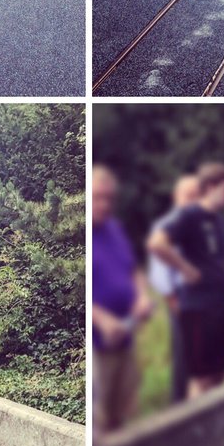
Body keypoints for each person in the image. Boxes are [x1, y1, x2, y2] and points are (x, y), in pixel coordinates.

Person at [148, 163, 224, 399]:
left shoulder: (220, 221)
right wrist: (185, 268)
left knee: (220, 373)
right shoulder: (188, 215)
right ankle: (196, 432)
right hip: (199, 307)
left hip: (222, 306)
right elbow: (157, 244)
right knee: (201, 378)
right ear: (211, 187)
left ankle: (214, 427)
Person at [93, 166, 154, 432]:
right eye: (98, 197)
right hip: (99, 346)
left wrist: (142, 296)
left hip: (126, 338)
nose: (104, 204)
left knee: (125, 416)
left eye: (109, 198)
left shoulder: (115, 229)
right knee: (101, 421)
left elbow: (133, 269)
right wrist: (102, 320)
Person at [147, 175, 201, 404]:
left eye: (196, 196)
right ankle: (180, 409)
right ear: (176, 198)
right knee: (185, 358)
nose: (193, 201)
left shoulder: (201, 225)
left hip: (204, 300)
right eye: (188, 196)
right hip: (180, 299)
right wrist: (172, 300)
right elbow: (159, 270)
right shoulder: (166, 226)